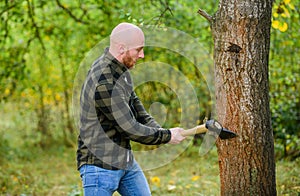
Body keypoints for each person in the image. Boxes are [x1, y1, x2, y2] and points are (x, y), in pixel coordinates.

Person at [77, 22, 186, 196]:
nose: (142, 55)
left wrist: (161, 131)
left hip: (124, 162)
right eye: (138, 49)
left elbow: (138, 110)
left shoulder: (122, 71)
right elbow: (129, 127)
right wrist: (167, 136)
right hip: (99, 167)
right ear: (122, 48)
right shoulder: (103, 80)